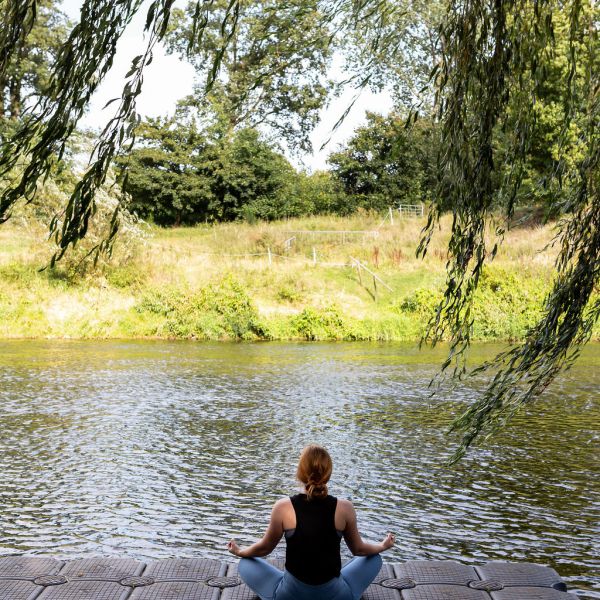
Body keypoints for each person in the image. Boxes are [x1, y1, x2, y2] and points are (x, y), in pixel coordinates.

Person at [228, 444, 395, 600]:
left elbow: (264, 548)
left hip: (290, 594)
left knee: (246, 563)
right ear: (328, 473)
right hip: (336, 594)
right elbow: (359, 549)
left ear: (300, 472)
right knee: (374, 558)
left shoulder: (283, 507)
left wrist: (240, 551)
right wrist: (382, 546)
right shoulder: (345, 508)